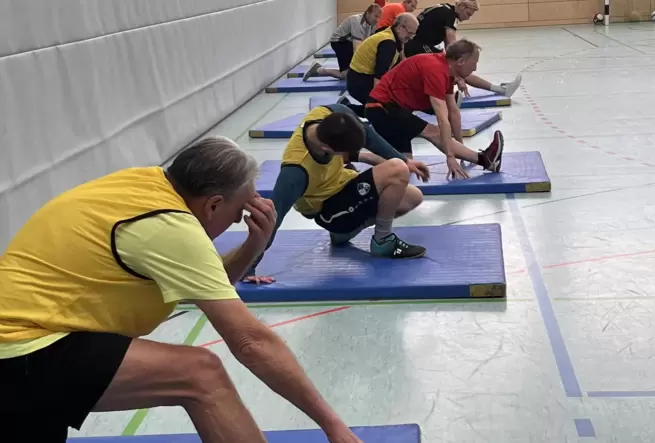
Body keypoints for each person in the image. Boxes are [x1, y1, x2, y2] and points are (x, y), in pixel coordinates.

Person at [0, 137, 364, 443]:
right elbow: (252, 342)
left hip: (32, 336)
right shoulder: (170, 228)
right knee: (200, 374)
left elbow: (207, 283)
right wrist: (333, 426)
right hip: (22, 348)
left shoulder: (144, 183)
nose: (241, 220)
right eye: (239, 213)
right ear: (213, 205)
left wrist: (255, 246)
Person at [243, 104, 432, 284]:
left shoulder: (328, 113)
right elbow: (273, 216)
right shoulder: (295, 172)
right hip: (329, 212)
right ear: (327, 149)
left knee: (412, 196)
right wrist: (248, 267)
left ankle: (344, 233)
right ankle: (382, 241)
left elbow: (368, 134)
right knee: (397, 170)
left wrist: (404, 159)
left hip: (344, 188)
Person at [364, 39, 504, 178]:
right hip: (381, 108)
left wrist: (461, 151)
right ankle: (485, 159)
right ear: (460, 61)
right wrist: (450, 157)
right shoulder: (436, 70)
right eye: (474, 63)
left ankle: (357, 157)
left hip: (395, 109)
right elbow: (442, 119)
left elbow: (453, 112)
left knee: (404, 166)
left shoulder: (447, 70)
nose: (475, 69)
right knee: (432, 132)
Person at [404, 1, 522, 98]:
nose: (468, 18)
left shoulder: (444, 9)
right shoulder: (451, 16)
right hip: (418, 46)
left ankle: (500, 89)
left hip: (418, 44)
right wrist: (458, 77)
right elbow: (453, 47)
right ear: (461, 6)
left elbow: (448, 46)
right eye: (468, 14)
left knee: (455, 66)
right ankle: (501, 90)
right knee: (459, 66)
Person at [337, 13, 419, 117]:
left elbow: (402, 63)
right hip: (359, 82)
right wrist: (378, 102)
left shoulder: (394, 36)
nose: (411, 38)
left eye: (413, 34)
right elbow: (379, 77)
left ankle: (346, 107)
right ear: (400, 28)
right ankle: (344, 109)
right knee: (382, 112)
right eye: (410, 33)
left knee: (390, 107)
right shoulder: (388, 44)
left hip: (361, 78)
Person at [303, 4, 382, 81]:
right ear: (368, 13)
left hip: (349, 43)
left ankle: (317, 68)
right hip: (339, 42)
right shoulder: (358, 22)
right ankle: (318, 69)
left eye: (379, 17)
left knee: (354, 72)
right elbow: (357, 49)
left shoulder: (372, 25)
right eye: (375, 16)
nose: (377, 20)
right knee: (345, 75)